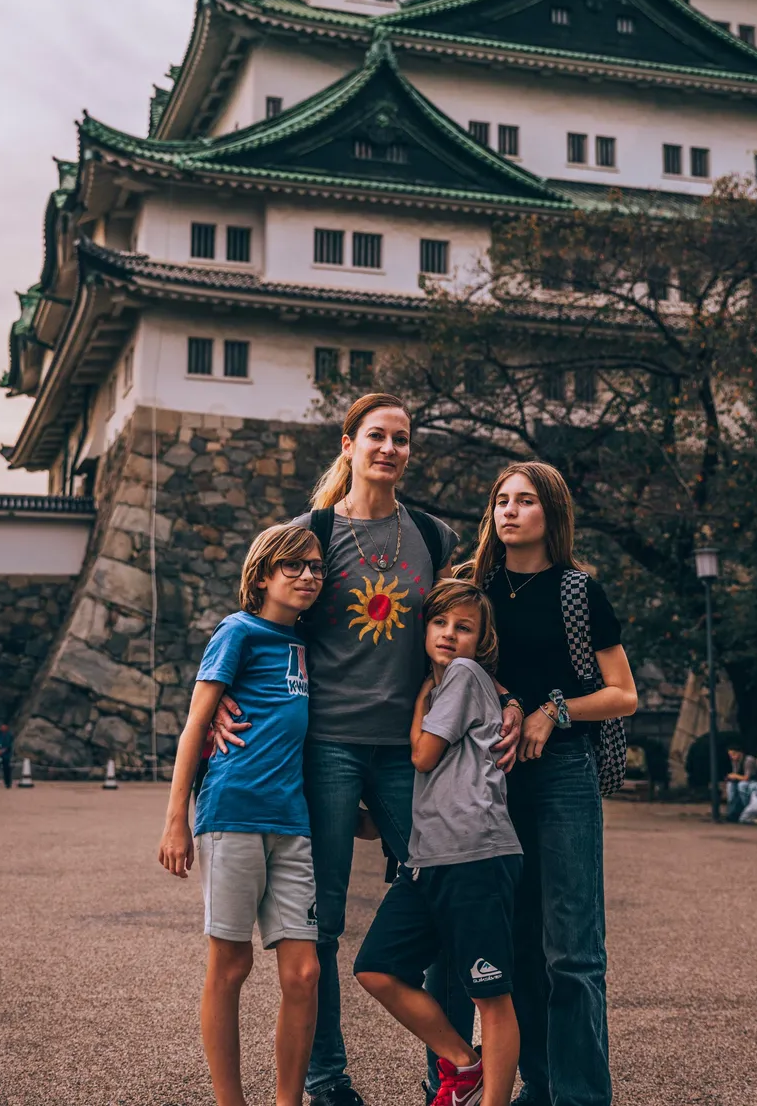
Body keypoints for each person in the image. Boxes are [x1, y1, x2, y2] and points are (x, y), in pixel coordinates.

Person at [212, 393, 523, 1106]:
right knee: (317, 922)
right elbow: (257, 614)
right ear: (348, 445)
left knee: (443, 902)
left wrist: (502, 697)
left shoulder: (434, 537)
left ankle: (448, 1071)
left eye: (402, 439)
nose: (389, 449)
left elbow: (469, 631)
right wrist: (224, 690)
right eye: (376, 437)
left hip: (413, 750)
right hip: (324, 745)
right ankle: (326, 1080)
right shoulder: (312, 531)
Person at [469, 462, 638, 1106]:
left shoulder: (577, 592)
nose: (510, 511)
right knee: (514, 945)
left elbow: (622, 694)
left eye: (526, 501)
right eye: (501, 500)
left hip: (564, 775)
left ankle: (581, 1096)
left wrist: (553, 709)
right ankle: (537, 1089)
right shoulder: (472, 590)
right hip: (491, 779)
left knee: (572, 950)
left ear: (552, 514)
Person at [157, 522, 325, 1106]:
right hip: (232, 812)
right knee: (231, 964)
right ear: (261, 576)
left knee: (305, 974)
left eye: (316, 568)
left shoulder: (309, 640)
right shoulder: (238, 631)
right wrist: (177, 817)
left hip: (293, 822)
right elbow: (195, 724)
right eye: (293, 566)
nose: (308, 576)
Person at [355, 579, 523, 1106]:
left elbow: (424, 756)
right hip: (428, 860)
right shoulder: (454, 681)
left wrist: (419, 704)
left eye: (464, 627)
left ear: (481, 640)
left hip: (477, 854)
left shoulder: (463, 675)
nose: (450, 634)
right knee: (376, 968)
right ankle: (466, 1065)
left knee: (490, 996)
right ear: (424, 628)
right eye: (441, 622)